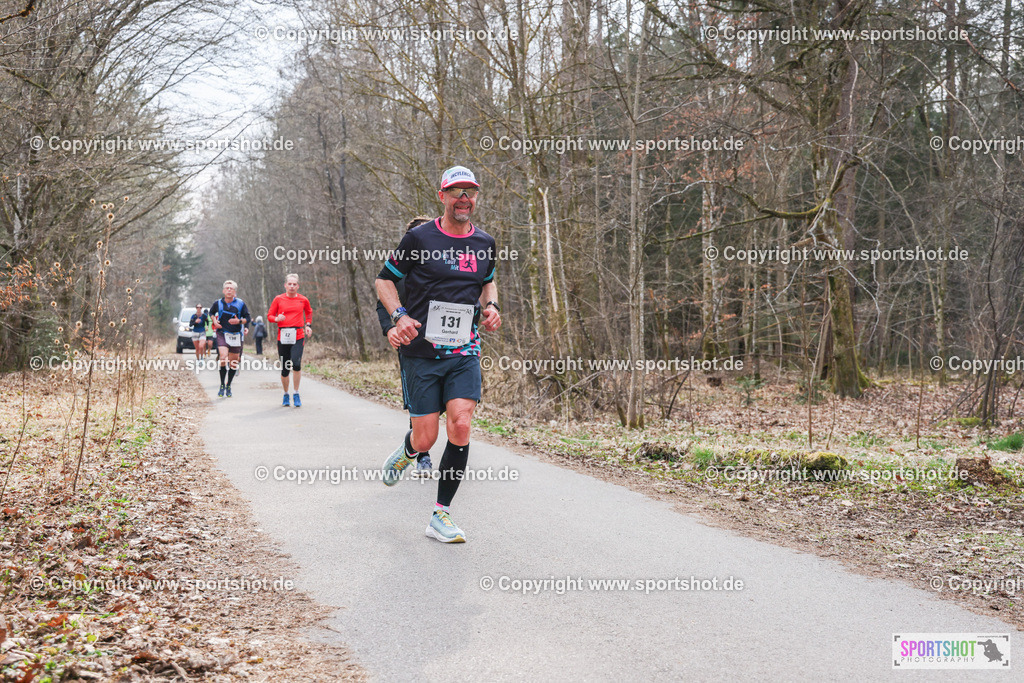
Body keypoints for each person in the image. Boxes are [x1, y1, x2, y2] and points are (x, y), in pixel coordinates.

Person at [375, 166, 502, 543]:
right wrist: (398, 318)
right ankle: (408, 449)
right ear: (443, 196)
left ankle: (441, 515)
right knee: (427, 438)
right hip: (421, 351)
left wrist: (492, 306)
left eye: (470, 192)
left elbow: (488, 280)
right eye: (456, 192)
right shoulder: (419, 237)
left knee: (460, 424)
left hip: (464, 349)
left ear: (476, 198)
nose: (464, 199)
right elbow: (384, 279)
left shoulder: (485, 242)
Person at [376, 216, 435, 475]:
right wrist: (390, 329)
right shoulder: (397, 272)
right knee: (420, 401)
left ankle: (420, 443)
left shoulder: (443, 268)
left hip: (446, 345)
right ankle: (422, 453)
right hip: (410, 346)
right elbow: (381, 304)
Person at [267, 274, 313, 407]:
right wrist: (276, 319)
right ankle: (286, 394)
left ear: (298, 286)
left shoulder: (303, 300)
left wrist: (308, 325)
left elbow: (309, 312)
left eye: (294, 284)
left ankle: (296, 393)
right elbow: (269, 315)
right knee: (285, 368)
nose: (292, 286)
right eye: (290, 284)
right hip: (283, 335)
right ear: (285, 285)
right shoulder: (278, 299)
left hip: (298, 334)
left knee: (296, 363)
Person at [210, 280, 250, 398]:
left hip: (235, 335)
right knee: (223, 358)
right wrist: (214, 321)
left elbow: (247, 318)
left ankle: (228, 385)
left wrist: (239, 321)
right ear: (223, 291)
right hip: (222, 333)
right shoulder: (217, 303)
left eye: (231, 288)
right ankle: (222, 384)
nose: (228, 290)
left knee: (233, 362)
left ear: (234, 291)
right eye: (226, 288)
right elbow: (211, 313)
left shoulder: (241, 304)